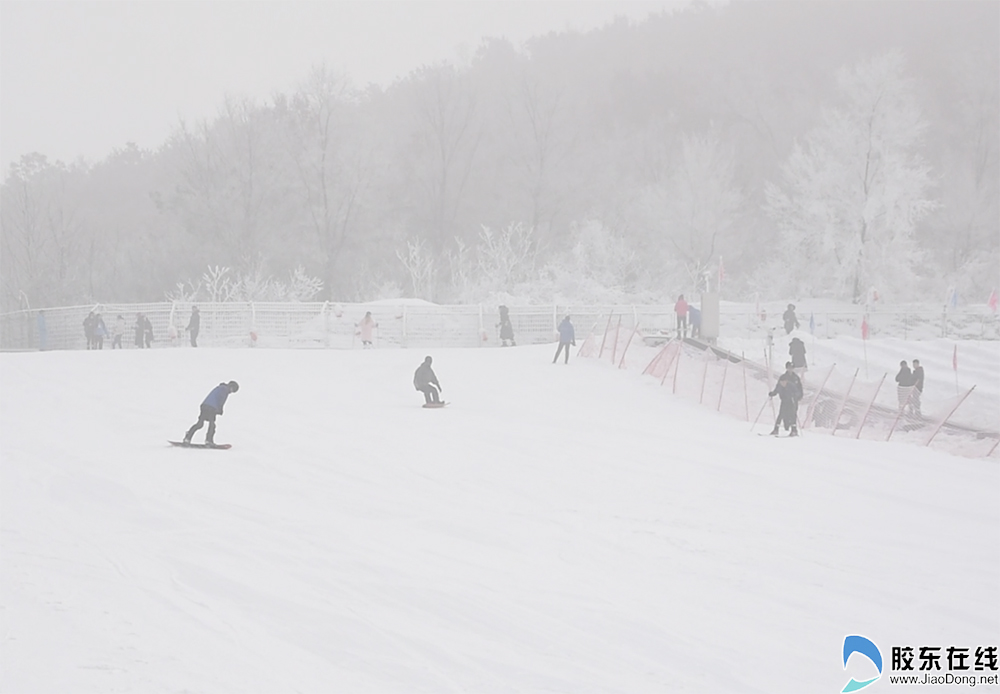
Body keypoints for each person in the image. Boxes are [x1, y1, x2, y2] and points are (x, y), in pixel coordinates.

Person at [183, 381, 239, 446]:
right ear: (231, 387)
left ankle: (188, 437)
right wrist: (220, 409)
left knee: (200, 424)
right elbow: (221, 399)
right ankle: (209, 440)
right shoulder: (225, 389)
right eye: (233, 390)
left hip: (205, 406)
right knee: (212, 425)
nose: (231, 392)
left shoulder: (220, 387)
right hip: (211, 408)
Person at [768, 362, 803, 436]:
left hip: (793, 400)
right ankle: (776, 429)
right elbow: (778, 387)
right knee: (781, 414)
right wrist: (773, 393)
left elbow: (799, 389)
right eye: (789, 368)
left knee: (793, 414)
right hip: (785, 399)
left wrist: (798, 396)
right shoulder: (783, 377)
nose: (790, 369)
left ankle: (794, 430)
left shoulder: (796, 378)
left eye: (792, 368)